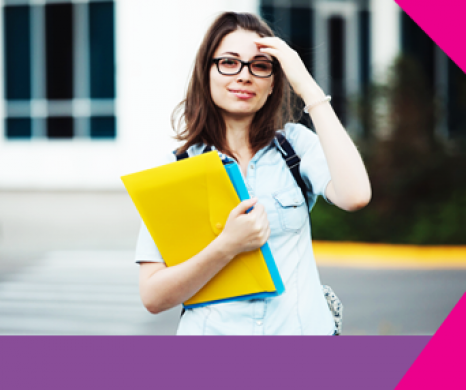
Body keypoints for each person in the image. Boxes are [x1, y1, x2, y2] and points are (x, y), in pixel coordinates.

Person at [134, 12, 371, 335]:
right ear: (207, 73)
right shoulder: (175, 168)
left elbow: (355, 195)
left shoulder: (296, 147)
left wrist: (308, 88)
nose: (245, 76)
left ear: (273, 82)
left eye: (260, 66)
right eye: (229, 62)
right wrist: (226, 246)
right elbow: (153, 296)